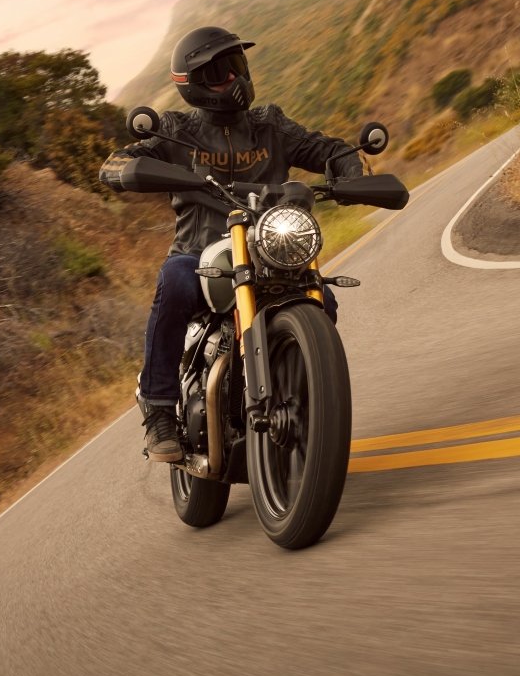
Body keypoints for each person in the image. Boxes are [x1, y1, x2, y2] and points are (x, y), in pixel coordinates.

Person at [100, 25, 365, 463]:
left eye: (237, 66)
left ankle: (304, 399)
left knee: (324, 300)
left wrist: (350, 177)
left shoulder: (270, 125)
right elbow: (117, 164)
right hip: (200, 257)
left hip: (270, 253)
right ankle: (161, 410)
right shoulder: (174, 131)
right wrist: (149, 172)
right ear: (195, 84)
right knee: (174, 281)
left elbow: (331, 150)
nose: (234, 79)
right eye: (220, 72)